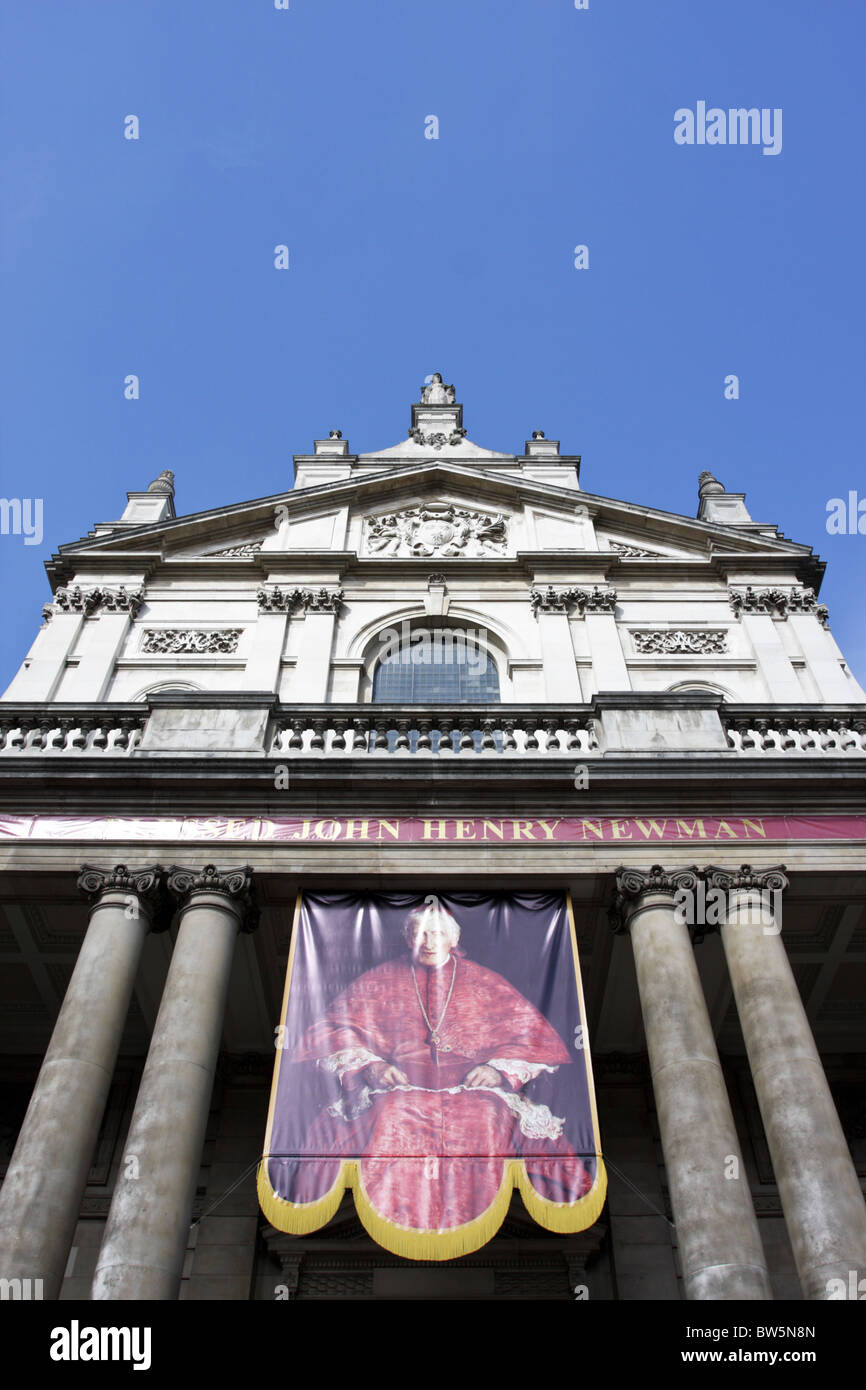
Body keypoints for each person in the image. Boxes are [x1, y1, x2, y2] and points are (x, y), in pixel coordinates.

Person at [284, 898, 594, 1235]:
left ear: (453, 939)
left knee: (488, 1118)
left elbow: (531, 1035)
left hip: (474, 1091)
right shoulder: (380, 980)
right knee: (390, 1118)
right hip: (398, 1089)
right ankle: (397, 1221)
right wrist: (372, 1067)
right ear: (408, 939)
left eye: (436, 934)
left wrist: (497, 1071)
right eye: (420, 934)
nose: (428, 942)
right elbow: (331, 1032)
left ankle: (473, 1218)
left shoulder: (485, 982)